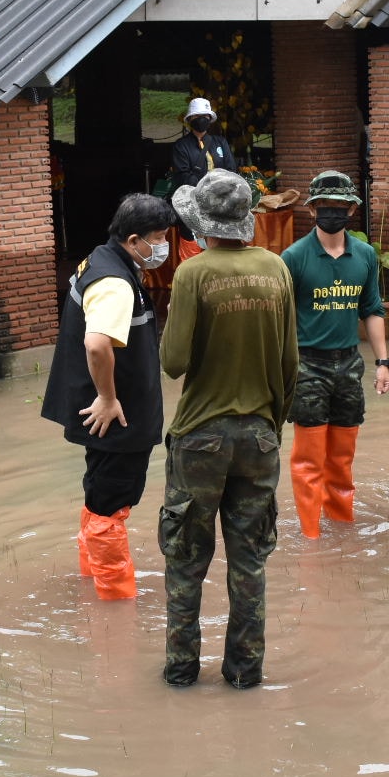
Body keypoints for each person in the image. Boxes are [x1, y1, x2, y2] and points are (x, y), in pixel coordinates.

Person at [158, 170, 297, 688]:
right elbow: (290, 363)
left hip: (200, 437)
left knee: (186, 560)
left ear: (201, 224)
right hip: (260, 435)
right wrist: (271, 428)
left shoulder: (192, 273)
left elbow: (173, 362)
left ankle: (181, 670)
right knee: (250, 561)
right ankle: (244, 672)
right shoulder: (276, 268)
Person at [40, 193, 176, 600]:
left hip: (103, 415)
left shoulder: (100, 259)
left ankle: (93, 581)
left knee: (99, 496)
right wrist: (107, 398)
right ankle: (116, 604)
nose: (163, 245)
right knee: (111, 506)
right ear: (134, 240)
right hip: (115, 418)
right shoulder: (115, 282)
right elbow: (97, 344)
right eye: (159, 237)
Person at [280, 170, 389, 538]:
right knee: (309, 460)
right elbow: (279, 318)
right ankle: (311, 538)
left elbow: (372, 309)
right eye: (324, 206)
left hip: (349, 366)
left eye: (340, 205)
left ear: (352, 209)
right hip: (307, 366)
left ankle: (343, 530)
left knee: (342, 459)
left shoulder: (364, 255)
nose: (333, 212)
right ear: (312, 210)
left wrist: (383, 363)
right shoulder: (293, 257)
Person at [169, 98, 240, 264]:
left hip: (220, 205)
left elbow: (231, 170)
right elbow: (184, 177)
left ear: (210, 119)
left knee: (219, 250)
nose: (201, 119)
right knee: (192, 252)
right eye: (197, 116)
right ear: (190, 119)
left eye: (205, 116)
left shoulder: (220, 142)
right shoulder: (181, 146)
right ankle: (191, 276)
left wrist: (220, 191)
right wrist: (207, 191)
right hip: (193, 205)